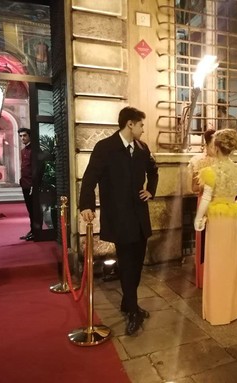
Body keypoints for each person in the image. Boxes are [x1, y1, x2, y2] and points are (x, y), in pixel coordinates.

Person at [79, 106, 159, 336]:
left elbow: (154, 171)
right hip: (119, 216)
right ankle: (133, 310)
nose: (144, 129)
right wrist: (86, 205)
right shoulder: (105, 148)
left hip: (139, 217)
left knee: (137, 263)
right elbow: (90, 177)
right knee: (126, 263)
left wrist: (150, 191)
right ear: (130, 124)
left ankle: (128, 303)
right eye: (141, 125)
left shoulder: (142, 149)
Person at [193, 128, 237, 325]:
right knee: (233, 262)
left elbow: (206, 198)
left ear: (216, 147)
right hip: (233, 219)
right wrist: (236, 208)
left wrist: (198, 219)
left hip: (217, 220)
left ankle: (219, 311)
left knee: (216, 263)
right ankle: (236, 308)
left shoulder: (210, 172)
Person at [187, 129, 216, 288]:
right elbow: (193, 188)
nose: (216, 148)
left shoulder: (224, 161)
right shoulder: (197, 161)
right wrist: (208, 186)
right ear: (206, 144)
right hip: (204, 202)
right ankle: (204, 276)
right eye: (213, 144)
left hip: (221, 205)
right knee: (204, 240)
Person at [18, 128, 34, 241]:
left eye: (24, 136)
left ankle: (35, 231)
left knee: (34, 210)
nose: (22, 138)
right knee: (29, 209)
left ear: (29, 136)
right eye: (21, 136)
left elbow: (37, 169)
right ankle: (32, 230)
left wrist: (34, 184)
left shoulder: (34, 150)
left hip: (32, 185)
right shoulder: (23, 151)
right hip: (25, 184)